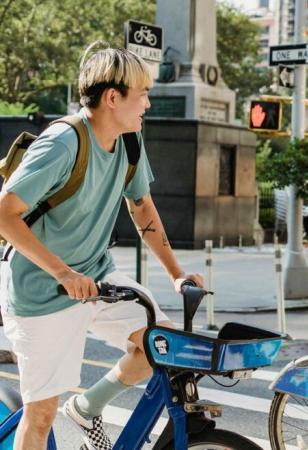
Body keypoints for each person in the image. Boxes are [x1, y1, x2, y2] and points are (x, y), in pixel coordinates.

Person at [0, 43, 203, 450]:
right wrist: (63, 272)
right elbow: (5, 213)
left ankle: (89, 406)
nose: (147, 103)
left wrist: (177, 274)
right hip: (40, 290)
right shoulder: (62, 144)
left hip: (96, 274)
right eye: (142, 94)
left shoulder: (129, 141)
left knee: (160, 345)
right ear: (113, 97)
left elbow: (142, 206)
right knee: (39, 418)